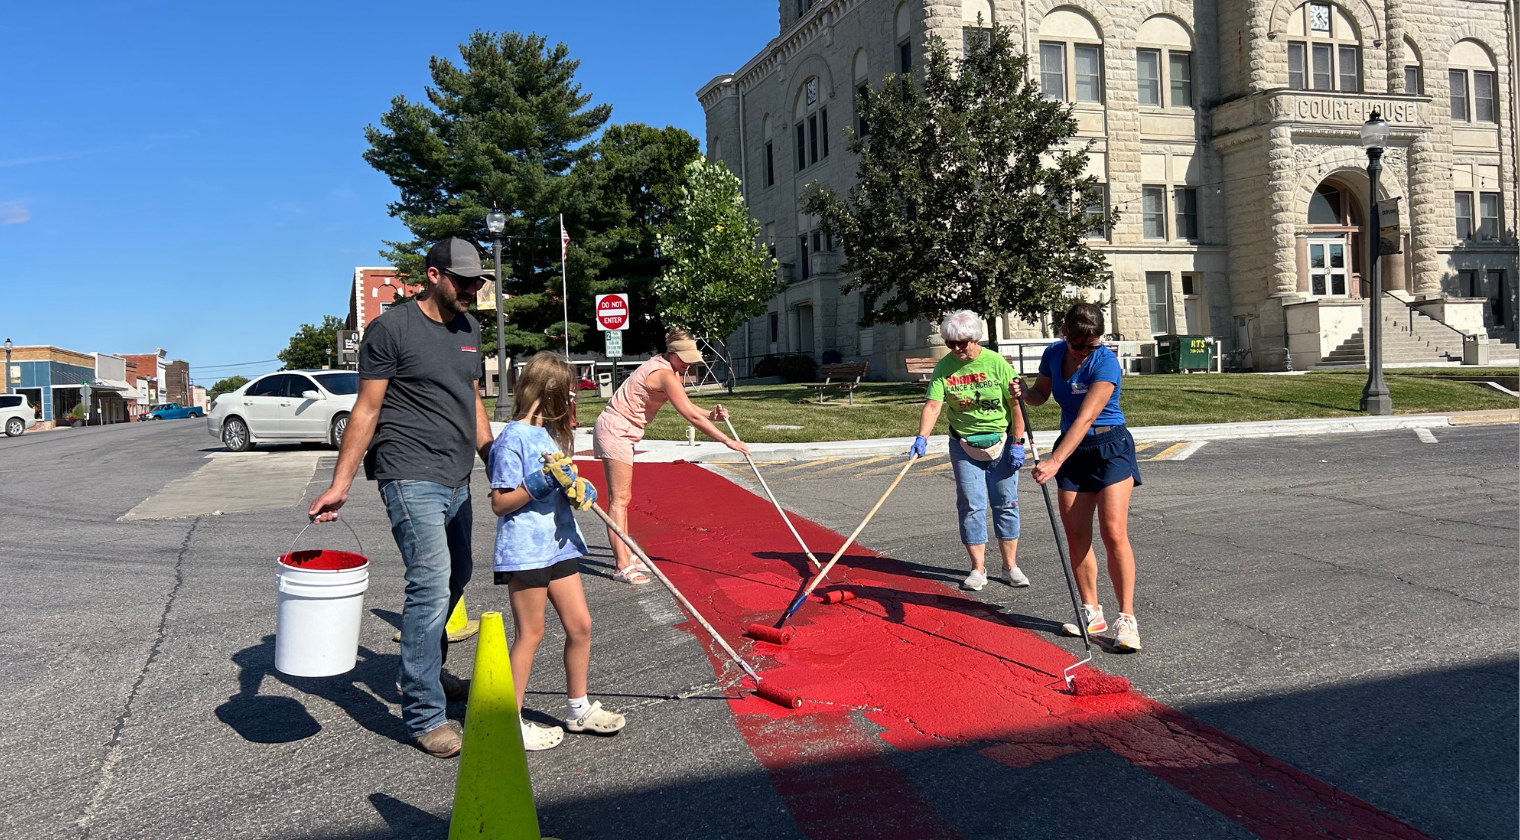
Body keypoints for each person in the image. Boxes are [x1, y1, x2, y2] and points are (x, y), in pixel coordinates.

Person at [308, 237, 496, 758]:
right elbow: (367, 409)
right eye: (463, 281)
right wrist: (341, 483)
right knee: (431, 583)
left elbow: (472, 397)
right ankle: (423, 711)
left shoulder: (469, 329)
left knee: (459, 575)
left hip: (457, 474)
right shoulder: (390, 329)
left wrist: (491, 455)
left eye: (477, 281)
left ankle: (426, 670)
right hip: (408, 472)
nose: (471, 290)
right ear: (434, 275)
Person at [489, 352, 626, 750]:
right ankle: (508, 721)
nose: (571, 399)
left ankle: (578, 709)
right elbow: (500, 502)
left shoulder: (547, 437)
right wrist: (539, 482)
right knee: (531, 633)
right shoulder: (511, 439)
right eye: (567, 392)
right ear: (547, 391)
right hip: (525, 550)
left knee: (580, 625)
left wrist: (580, 490)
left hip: (559, 545)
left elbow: (565, 481)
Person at [1014, 302, 1142, 652]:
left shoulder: (1106, 362)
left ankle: (1127, 620)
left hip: (1109, 446)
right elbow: (1040, 395)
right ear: (1064, 334)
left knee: (1113, 531)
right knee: (1076, 532)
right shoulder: (1054, 354)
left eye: (1092, 344)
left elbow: (1087, 418)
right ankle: (1091, 612)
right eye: (1078, 345)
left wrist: (1054, 461)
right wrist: (1024, 392)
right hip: (1073, 451)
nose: (1085, 352)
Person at [592, 329, 750, 584]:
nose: (688, 362)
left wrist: (713, 414)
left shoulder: (669, 370)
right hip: (615, 429)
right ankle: (621, 565)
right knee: (619, 500)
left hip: (623, 429)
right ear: (673, 353)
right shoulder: (664, 374)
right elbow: (690, 416)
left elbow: (688, 407)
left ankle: (626, 553)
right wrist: (727, 440)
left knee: (624, 497)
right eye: (684, 357)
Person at [910, 310, 1029, 592]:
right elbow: (934, 405)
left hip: (1000, 443)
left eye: (962, 342)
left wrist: (1018, 442)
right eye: (951, 343)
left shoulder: (996, 363)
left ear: (975, 338)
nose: (956, 348)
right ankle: (977, 569)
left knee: (1006, 503)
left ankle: (1010, 566)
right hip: (963, 444)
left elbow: (1016, 405)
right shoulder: (945, 367)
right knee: (971, 505)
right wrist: (921, 436)